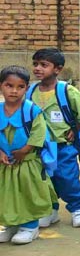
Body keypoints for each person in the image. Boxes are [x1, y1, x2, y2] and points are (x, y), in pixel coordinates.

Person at [28, 48, 80, 229]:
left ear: (57, 69)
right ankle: (51, 209)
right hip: (39, 146)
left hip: (63, 145)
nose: (38, 68)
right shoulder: (31, 91)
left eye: (44, 65)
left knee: (67, 176)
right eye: (35, 64)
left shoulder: (66, 90)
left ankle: (77, 209)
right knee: (44, 179)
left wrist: (76, 129)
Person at [0, 66, 54, 245]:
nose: (14, 91)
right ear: (1, 86)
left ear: (26, 87)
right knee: (7, 194)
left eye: (20, 87)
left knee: (28, 193)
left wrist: (25, 149)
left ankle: (30, 227)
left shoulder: (32, 110)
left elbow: (39, 133)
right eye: (9, 85)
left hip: (28, 163)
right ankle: (11, 225)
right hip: (5, 165)